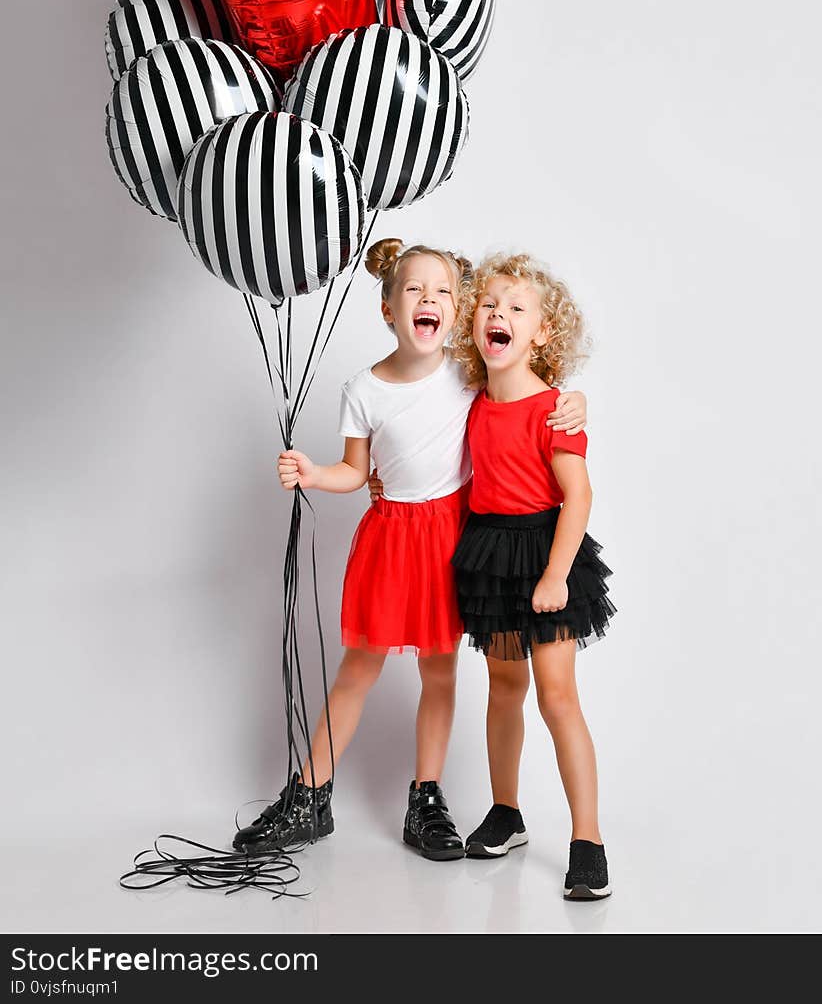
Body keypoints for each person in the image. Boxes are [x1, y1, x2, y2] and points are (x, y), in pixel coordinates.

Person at [232, 239, 586, 861]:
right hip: (390, 538)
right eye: (414, 290)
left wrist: (571, 396)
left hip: (455, 537)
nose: (430, 300)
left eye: (445, 291)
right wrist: (314, 473)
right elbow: (354, 468)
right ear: (388, 309)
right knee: (359, 667)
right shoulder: (363, 388)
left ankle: (426, 797)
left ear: (458, 312)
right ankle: (309, 795)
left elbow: (524, 385)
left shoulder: (466, 373)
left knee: (440, 670)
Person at [449, 251, 615, 899]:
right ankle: (506, 812)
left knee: (557, 696)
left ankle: (588, 841)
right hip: (490, 553)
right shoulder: (470, 405)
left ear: (541, 334)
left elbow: (579, 496)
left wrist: (556, 575)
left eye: (517, 308)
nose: (500, 314)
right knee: (503, 688)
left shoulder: (555, 410)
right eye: (490, 305)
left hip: (548, 551)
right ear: (474, 324)